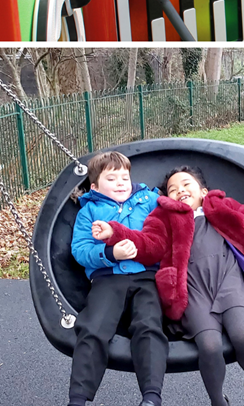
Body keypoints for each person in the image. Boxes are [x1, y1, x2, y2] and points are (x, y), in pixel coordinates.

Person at [91, 166, 244, 406]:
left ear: (204, 191)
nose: (180, 191)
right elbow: (149, 243)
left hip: (229, 280)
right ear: (167, 199)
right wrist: (116, 233)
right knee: (209, 346)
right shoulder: (163, 217)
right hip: (192, 290)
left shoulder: (223, 207)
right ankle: (217, 401)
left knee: (243, 337)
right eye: (173, 190)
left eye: (186, 184)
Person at [69, 151, 165, 406]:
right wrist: (110, 253)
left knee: (149, 325)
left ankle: (152, 397)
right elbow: (80, 250)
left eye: (125, 177)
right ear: (95, 186)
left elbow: (174, 219)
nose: (121, 183)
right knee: (92, 327)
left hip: (147, 276)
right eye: (112, 179)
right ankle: (78, 399)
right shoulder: (89, 211)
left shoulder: (150, 200)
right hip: (108, 278)